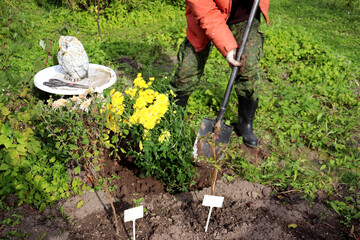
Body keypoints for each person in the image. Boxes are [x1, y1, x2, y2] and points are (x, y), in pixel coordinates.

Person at [170, 0, 269, 148]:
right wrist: (227, 47)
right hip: (204, 15)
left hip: (244, 16)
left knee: (248, 68)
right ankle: (173, 118)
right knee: (187, 70)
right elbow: (205, 10)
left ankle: (245, 123)